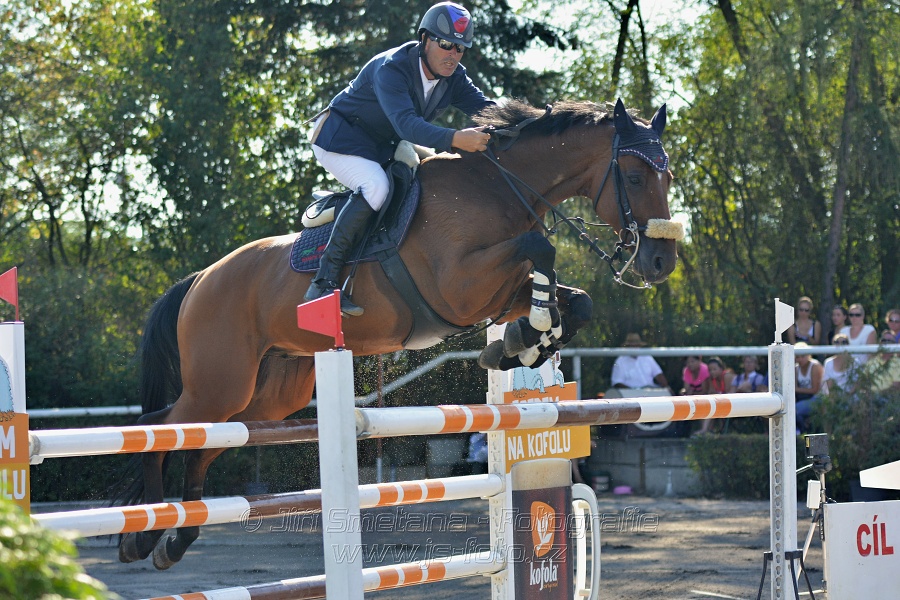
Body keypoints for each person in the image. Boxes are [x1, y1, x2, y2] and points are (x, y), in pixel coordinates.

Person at [303, 2, 495, 316]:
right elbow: (406, 125)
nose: (452, 54)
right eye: (445, 44)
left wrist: (534, 124)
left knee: (436, 175)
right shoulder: (392, 67)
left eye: (460, 48)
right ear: (425, 39)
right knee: (376, 187)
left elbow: (488, 110)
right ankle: (323, 283)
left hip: (382, 144)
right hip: (340, 139)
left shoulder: (454, 77)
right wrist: (456, 138)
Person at [696, 356, 733, 435]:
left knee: (712, 406)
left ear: (721, 368)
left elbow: (730, 393)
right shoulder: (712, 379)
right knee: (707, 406)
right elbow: (711, 393)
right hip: (720, 403)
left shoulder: (727, 376)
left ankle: (705, 430)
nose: (712, 372)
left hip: (731, 403)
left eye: (714, 369)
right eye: (710, 370)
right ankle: (707, 430)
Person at [793, 342, 823, 433]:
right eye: (798, 357)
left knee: (795, 410)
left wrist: (795, 389)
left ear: (809, 355)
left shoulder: (815, 366)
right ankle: (800, 433)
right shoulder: (796, 368)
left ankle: (802, 432)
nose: (800, 359)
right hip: (804, 398)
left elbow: (815, 390)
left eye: (803, 356)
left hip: (818, 398)